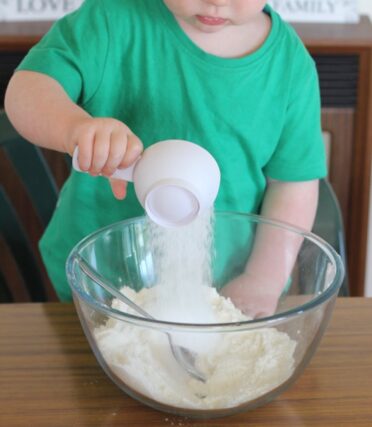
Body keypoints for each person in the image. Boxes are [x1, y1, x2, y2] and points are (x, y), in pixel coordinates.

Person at [4, 0, 326, 316]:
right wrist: (74, 128)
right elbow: (28, 89)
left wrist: (262, 279)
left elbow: (292, 186)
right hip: (100, 281)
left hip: (228, 292)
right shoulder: (110, 18)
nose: (216, 1)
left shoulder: (290, 66)